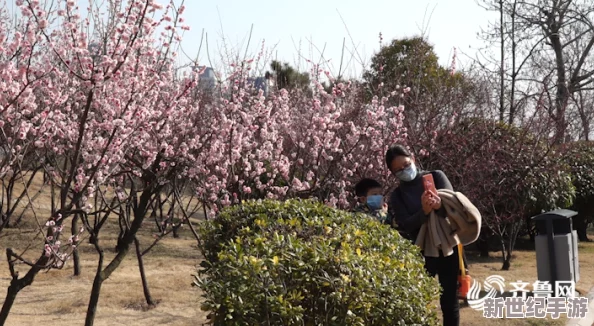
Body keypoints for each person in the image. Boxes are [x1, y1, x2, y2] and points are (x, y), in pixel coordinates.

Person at [384, 144, 461, 326]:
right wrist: (424, 212)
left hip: (447, 245)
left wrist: (438, 205)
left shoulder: (436, 176)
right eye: (398, 170)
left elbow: (454, 207)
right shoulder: (397, 195)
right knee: (416, 298)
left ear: (413, 159)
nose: (404, 171)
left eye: (406, 164)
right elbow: (406, 224)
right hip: (420, 249)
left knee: (449, 299)